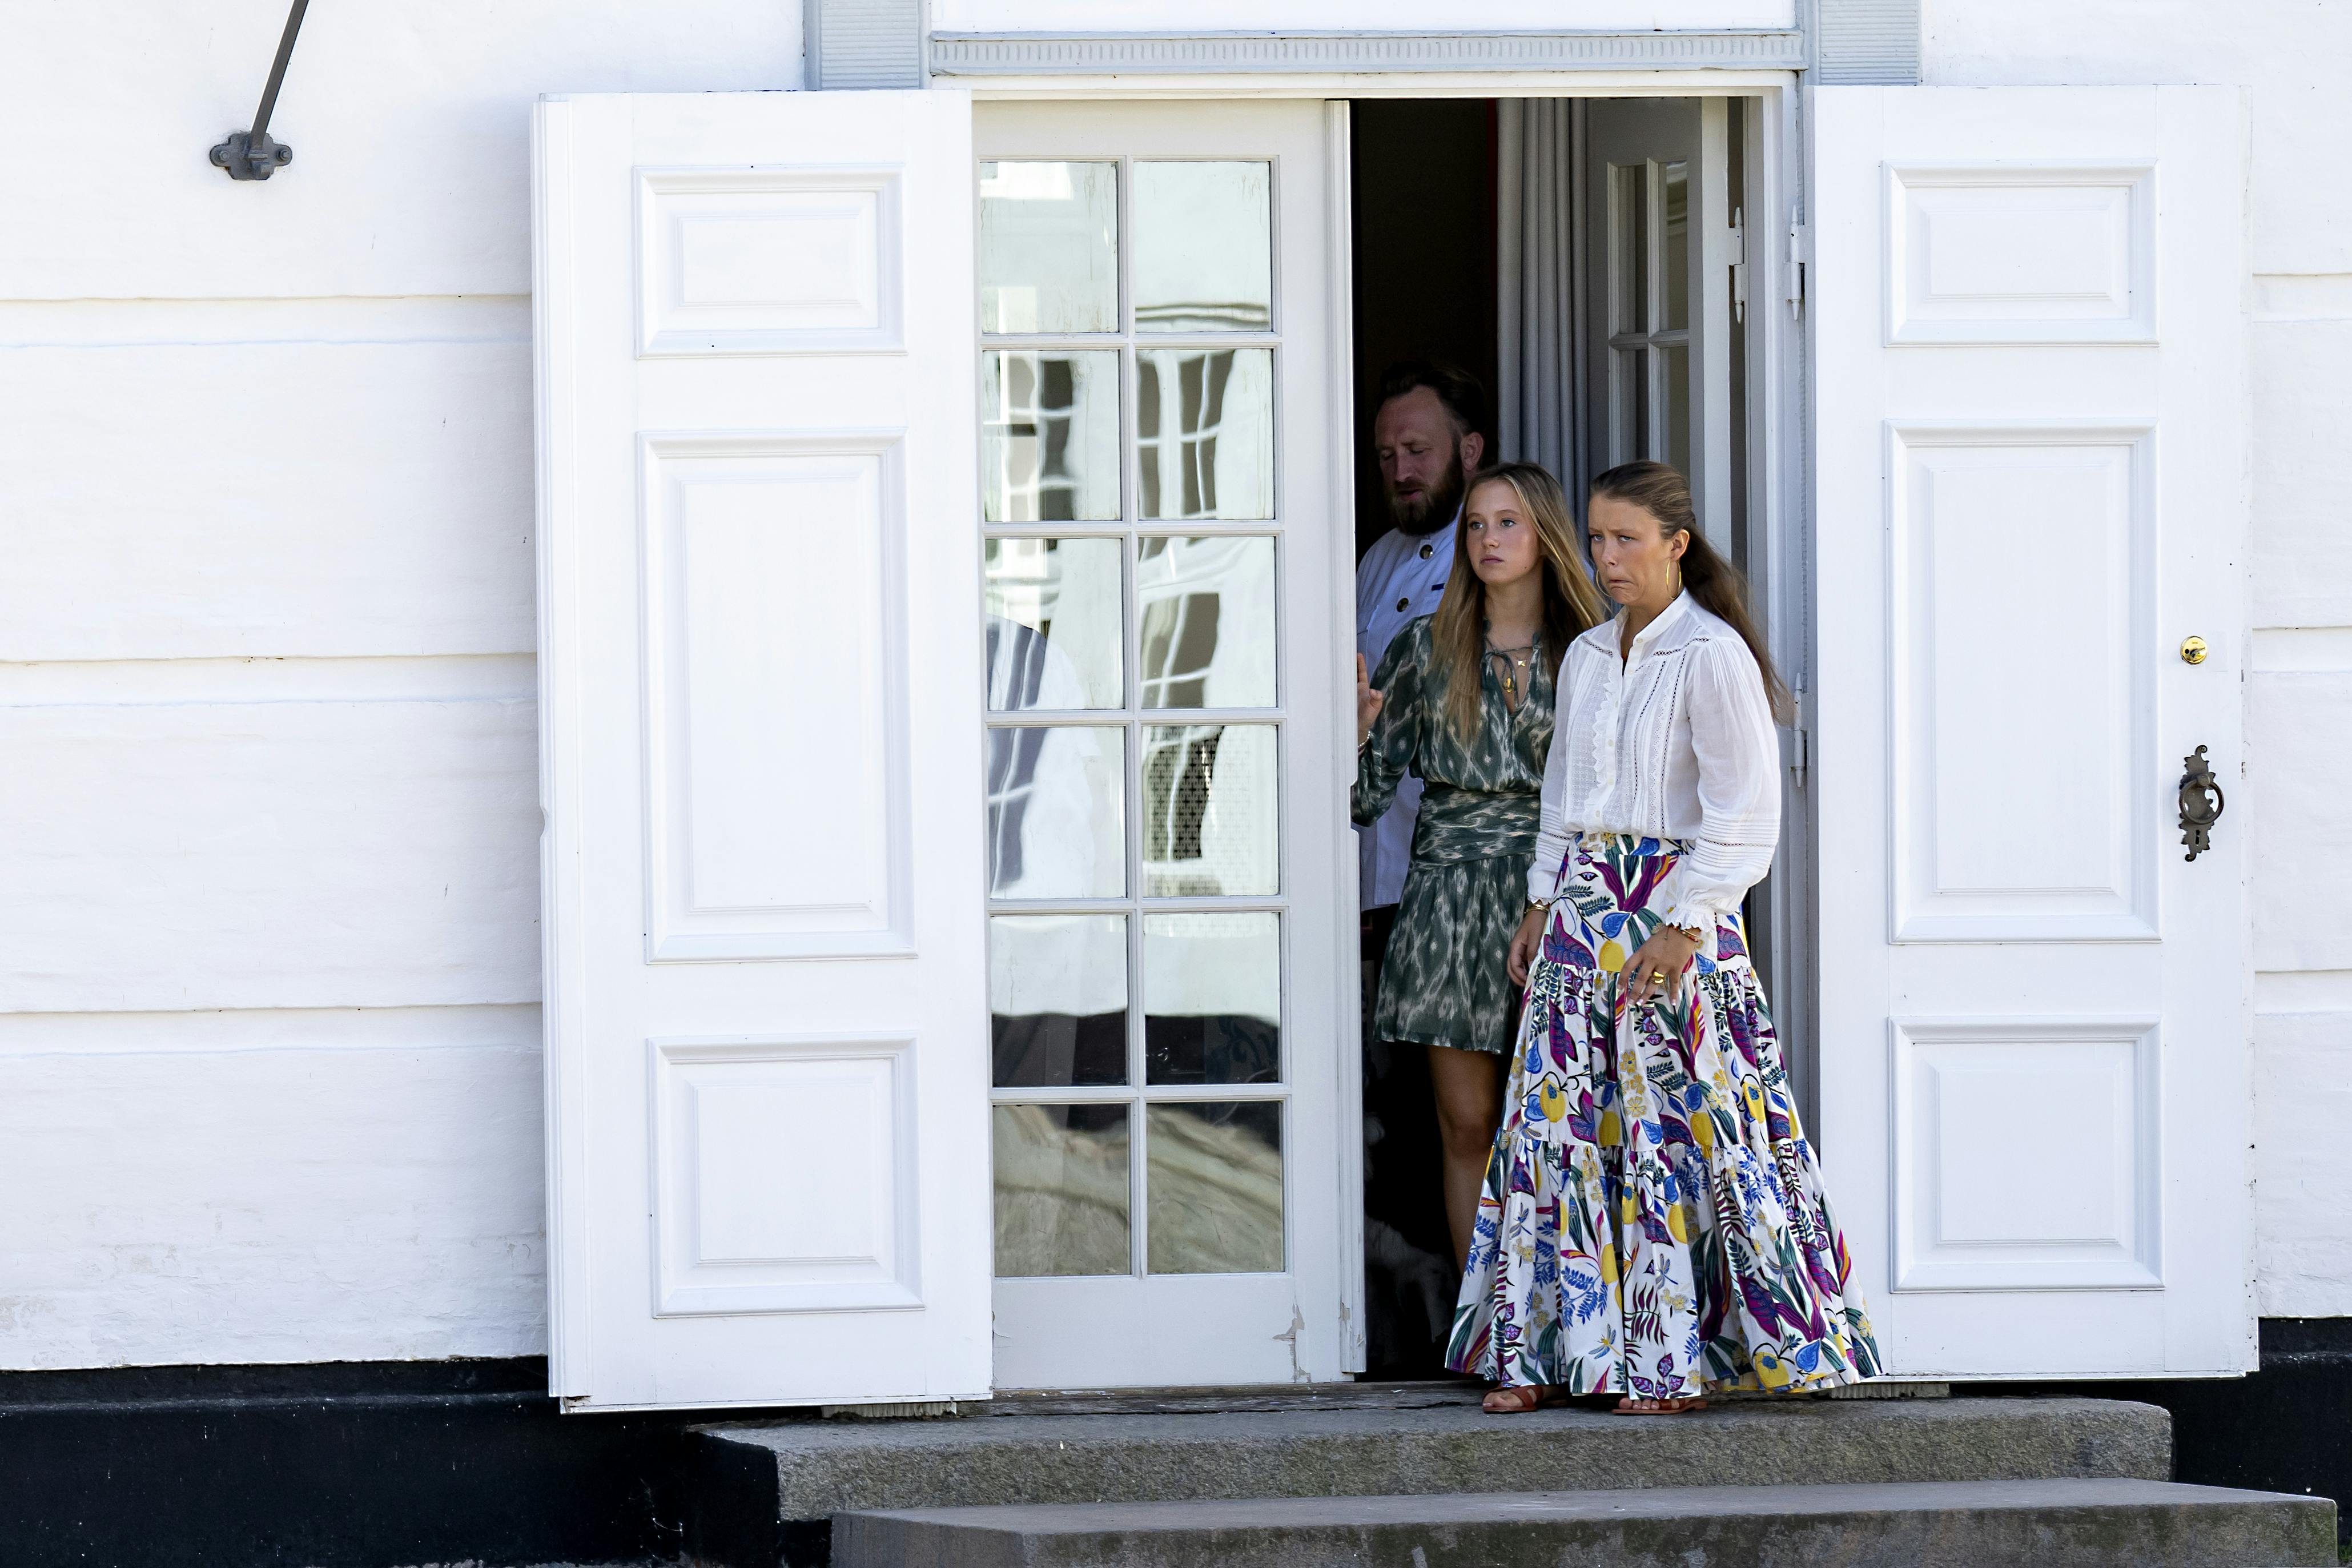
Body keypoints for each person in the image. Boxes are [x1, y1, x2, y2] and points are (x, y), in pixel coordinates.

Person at [1449, 460, 1882, 1416]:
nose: (1607, 557)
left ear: (1676, 544)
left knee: (1668, 1130)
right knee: (1558, 1130)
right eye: (1597, 539)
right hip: (1580, 913)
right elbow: (1561, 797)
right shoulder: (1592, 655)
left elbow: (1747, 811)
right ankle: (1541, 1356)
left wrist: (1688, 922)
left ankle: (1664, 1362)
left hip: (1673, 915)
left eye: (1626, 539)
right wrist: (1538, 900)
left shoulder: (1714, 653)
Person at [1354, 463, 1609, 1277]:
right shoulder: (1425, 649)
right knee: (1466, 1125)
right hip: (1448, 902)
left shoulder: (1595, 652)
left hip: (1561, 897)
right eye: (1475, 525)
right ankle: (1485, 1330)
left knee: (1557, 1127)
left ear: (1544, 538)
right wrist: (1355, 733)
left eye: (1508, 523)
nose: (1488, 540)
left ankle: (1561, 1321)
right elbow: (1365, 801)